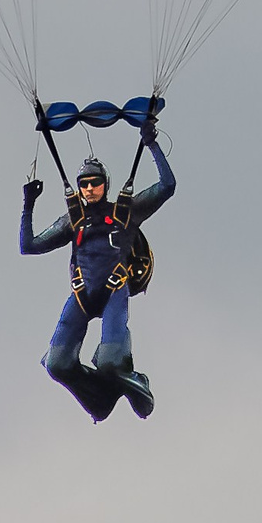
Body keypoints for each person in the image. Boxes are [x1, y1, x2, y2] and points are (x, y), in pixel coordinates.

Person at [21, 131, 176, 421]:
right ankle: (100, 400)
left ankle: (133, 380)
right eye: (84, 184)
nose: (90, 189)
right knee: (56, 364)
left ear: (105, 184)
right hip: (82, 294)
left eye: (95, 183)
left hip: (114, 289)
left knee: (110, 362)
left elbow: (167, 186)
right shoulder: (73, 221)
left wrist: (151, 144)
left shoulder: (126, 212)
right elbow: (28, 246)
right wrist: (29, 203)